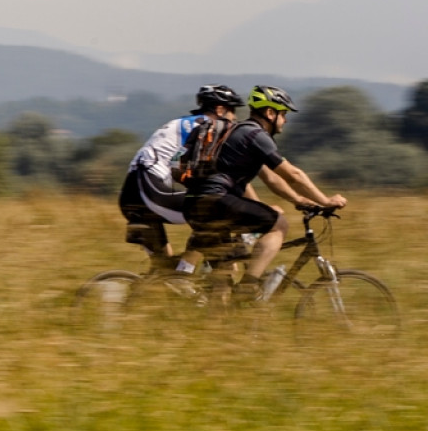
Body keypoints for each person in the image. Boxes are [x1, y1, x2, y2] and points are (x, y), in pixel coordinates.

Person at [181, 85, 347, 296]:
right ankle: (248, 287)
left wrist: (299, 200)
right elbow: (292, 174)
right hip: (217, 202)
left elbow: (272, 179)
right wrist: (325, 200)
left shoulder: (238, 134)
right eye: (283, 114)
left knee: (223, 276)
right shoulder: (255, 135)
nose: (285, 120)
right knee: (278, 223)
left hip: (194, 205)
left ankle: (221, 324)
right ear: (270, 112)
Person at [119, 84, 244, 273]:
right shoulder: (209, 127)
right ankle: (184, 273)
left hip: (132, 192)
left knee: (163, 269)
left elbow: (185, 170)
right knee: (211, 213)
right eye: (233, 111)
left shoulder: (185, 123)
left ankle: (146, 294)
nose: (235, 118)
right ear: (220, 110)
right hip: (149, 187)